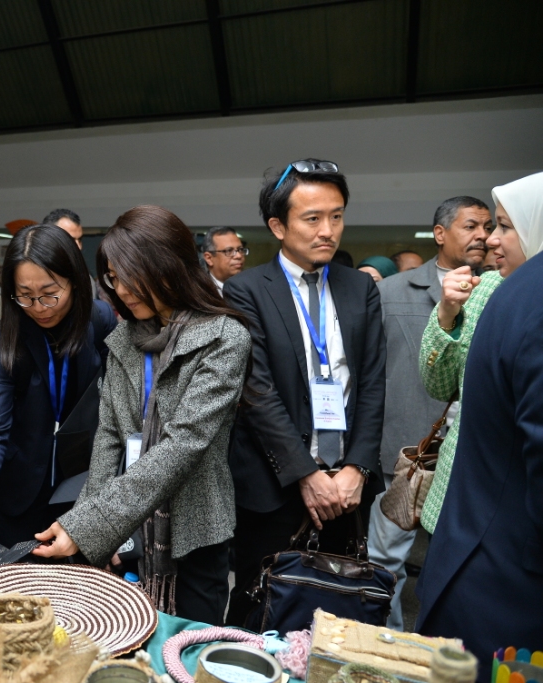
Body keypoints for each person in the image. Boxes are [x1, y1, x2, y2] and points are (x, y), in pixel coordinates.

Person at [33, 205, 251, 625]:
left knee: (185, 649)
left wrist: (93, 524)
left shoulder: (224, 338)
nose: (121, 289)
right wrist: (94, 527)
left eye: (130, 275)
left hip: (194, 530)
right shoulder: (122, 340)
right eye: (112, 278)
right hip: (125, 522)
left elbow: (183, 446)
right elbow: (109, 438)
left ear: (168, 266)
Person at [222, 160, 386, 626]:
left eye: (336, 216)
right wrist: (305, 473)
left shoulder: (359, 288)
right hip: (276, 488)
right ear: (278, 225)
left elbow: (373, 383)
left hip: (347, 489)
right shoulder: (245, 290)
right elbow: (255, 391)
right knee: (261, 611)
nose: (327, 230)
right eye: (312, 218)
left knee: (335, 614)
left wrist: (357, 466)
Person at [416, 172, 543, 674]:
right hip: (467, 486)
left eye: (501, 227)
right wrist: (446, 315)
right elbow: (438, 382)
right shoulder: (486, 288)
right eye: (485, 227)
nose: (490, 239)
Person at [367, 195, 492, 630]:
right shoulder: (390, 292)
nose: (483, 235)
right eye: (471, 225)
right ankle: (387, 647)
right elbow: (369, 375)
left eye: (489, 227)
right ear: (440, 234)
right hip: (402, 452)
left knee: (456, 567)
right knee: (386, 564)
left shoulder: (496, 291)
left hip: (467, 457)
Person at [0, 224, 117, 547]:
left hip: (81, 490)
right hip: (18, 496)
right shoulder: (3, 344)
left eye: (50, 293)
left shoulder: (98, 321)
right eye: (25, 296)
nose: (40, 307)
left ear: (75, 281)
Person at [200, 226, 248, 293]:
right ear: (209, 258)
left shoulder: (253, 286)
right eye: (229, 251)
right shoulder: (197, 291)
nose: (239, 256)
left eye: (240, 249)